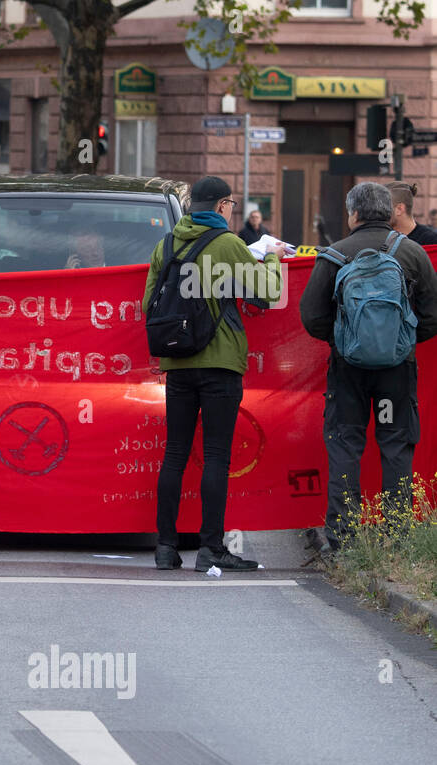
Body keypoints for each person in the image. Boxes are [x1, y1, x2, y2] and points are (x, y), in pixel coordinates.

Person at [142, 176, 286, 572]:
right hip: (220, 363)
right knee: (217, 457)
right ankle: (210, 549)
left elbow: (147, 303)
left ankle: (166, 548)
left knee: (174, 454)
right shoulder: (228, 245)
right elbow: (269, 292)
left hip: (177, 364)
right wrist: (271, 255)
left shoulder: (166, 244)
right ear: (222, 206)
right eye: (232, 204)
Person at [298, 181, 437, 553]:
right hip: (396, 371)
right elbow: (431, 314)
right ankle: (396, 536)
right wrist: (400, 342)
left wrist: (343, 341)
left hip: (348, 371)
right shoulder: (411, 254)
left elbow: (311, 316)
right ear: (389, 211)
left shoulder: (334, 255)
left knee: (345, 443)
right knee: (395, 446)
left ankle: (343, 537)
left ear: (354, 214)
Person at [386, 181, 437, 246]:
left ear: (399, 209)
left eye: (384, 207)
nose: (380, 211)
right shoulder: (383, 238)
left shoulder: (431, 240)